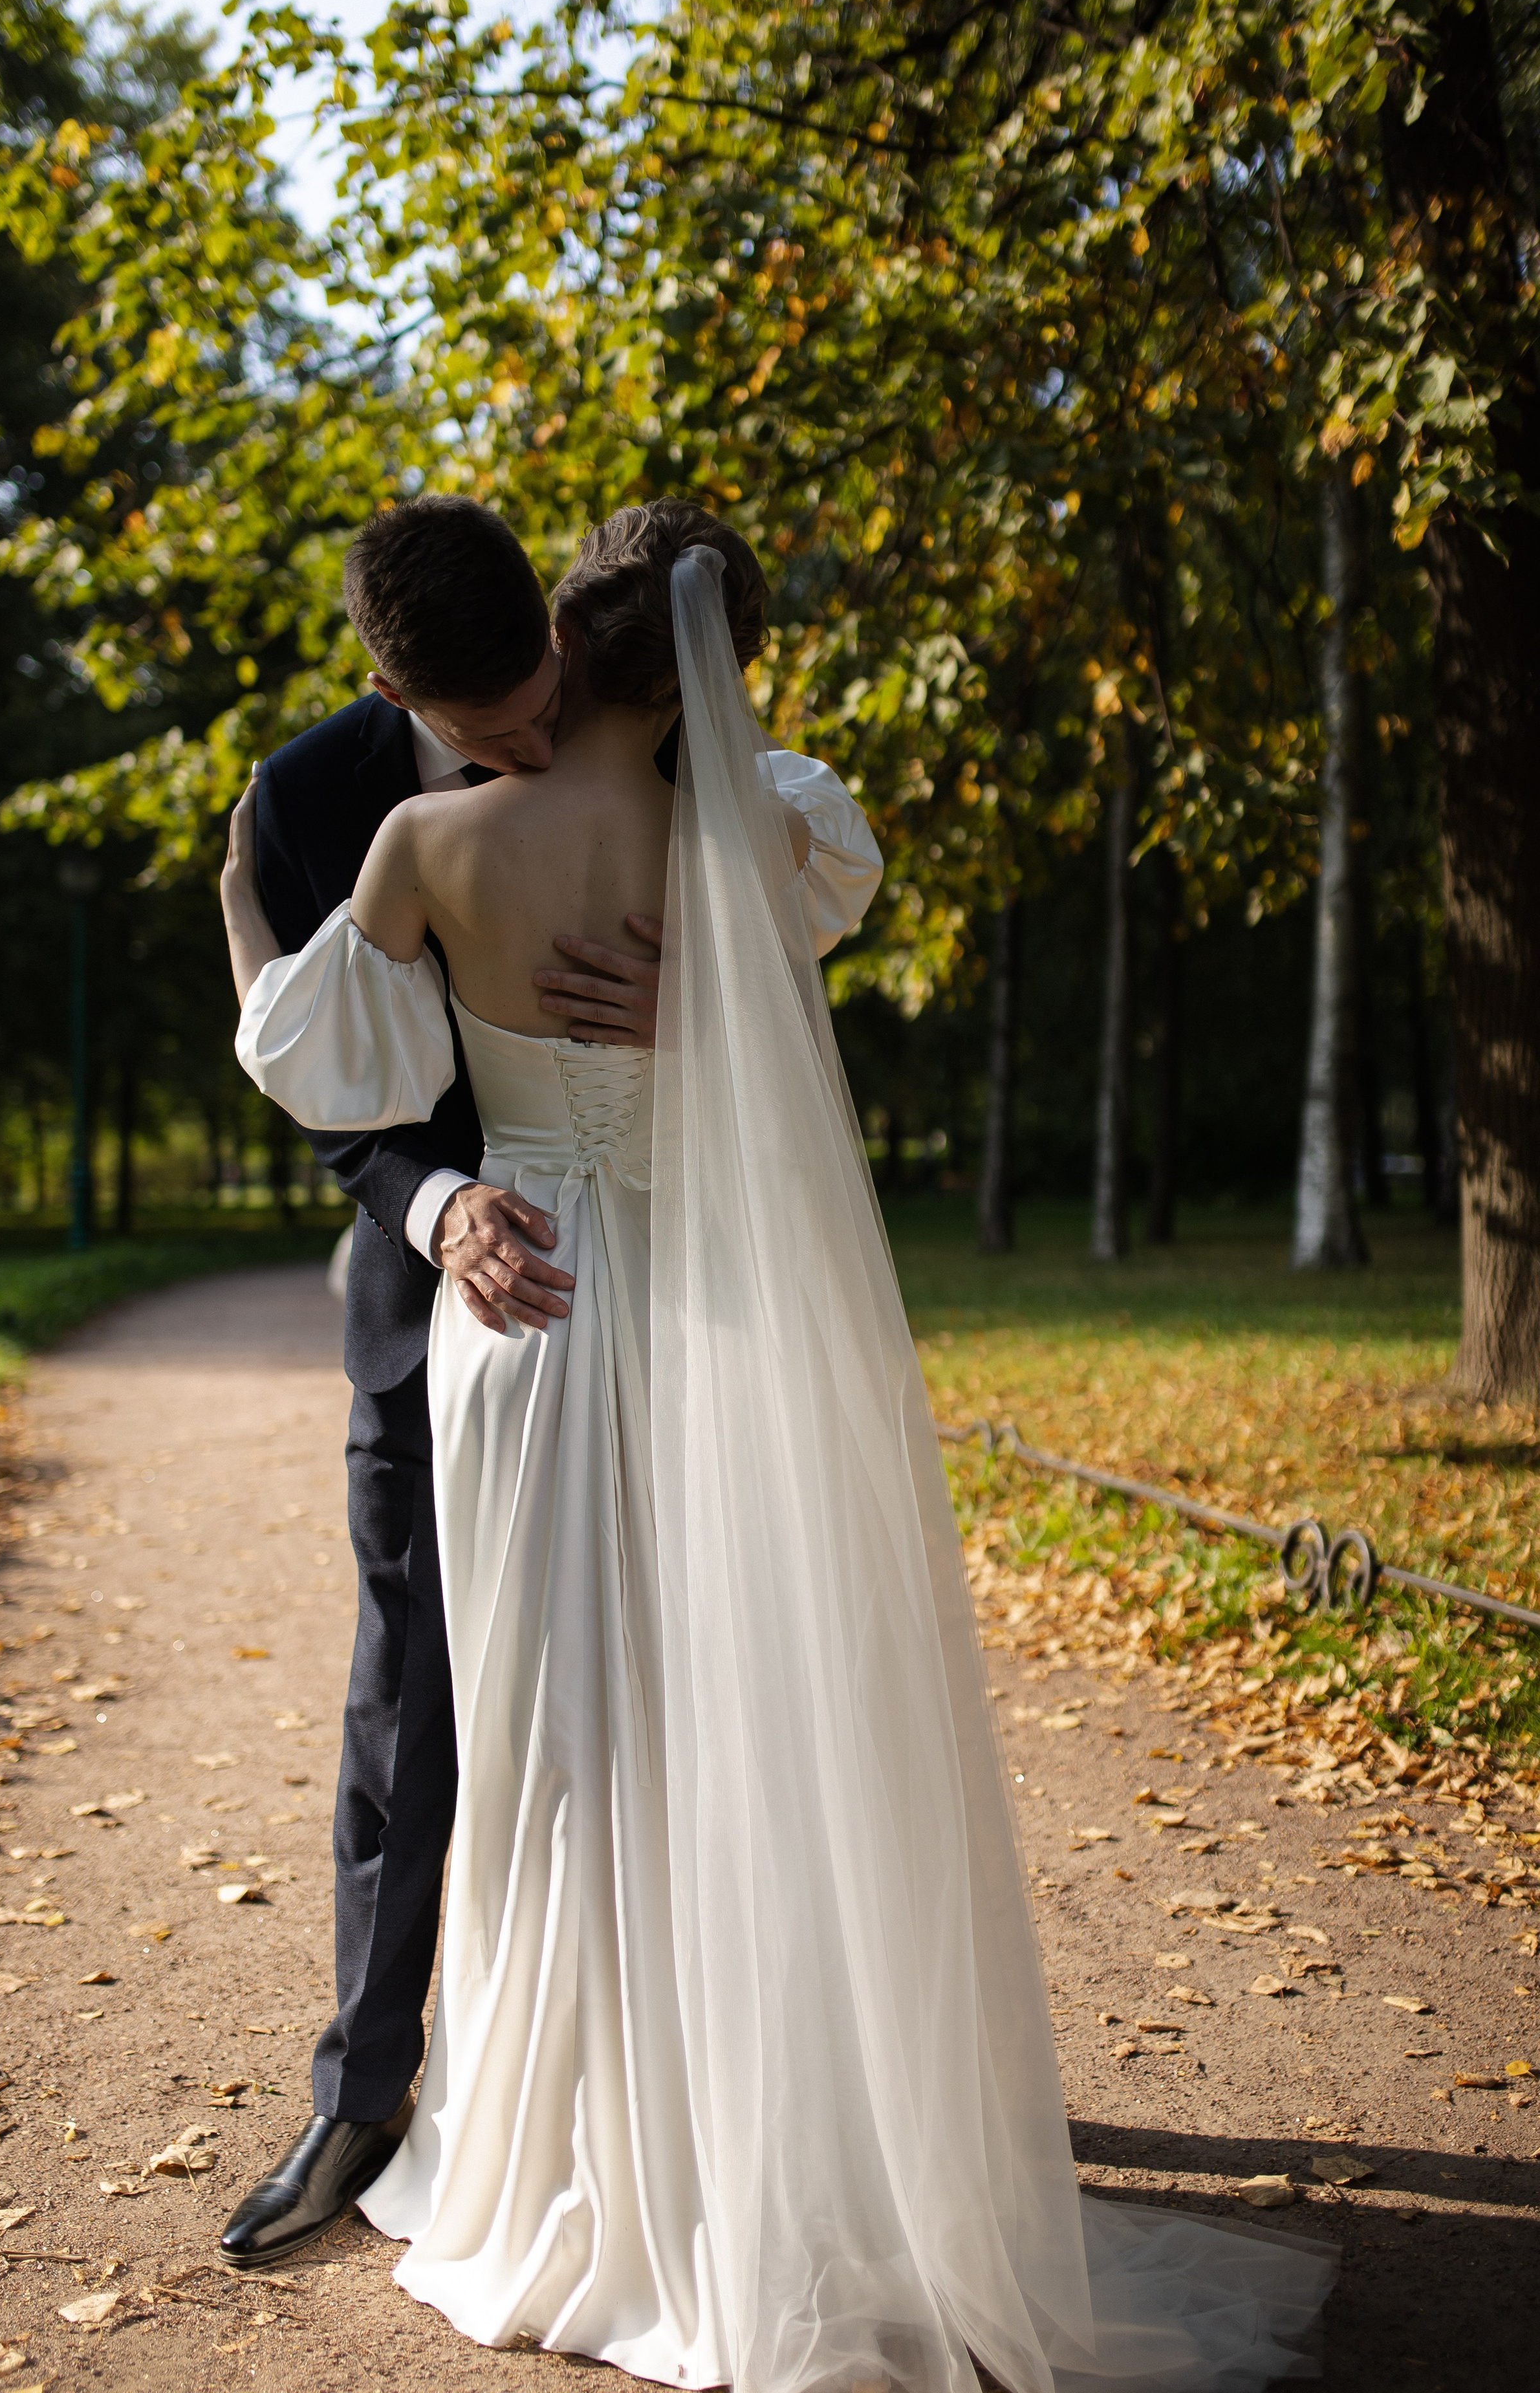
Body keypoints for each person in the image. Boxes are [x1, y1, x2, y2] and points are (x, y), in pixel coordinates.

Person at [229, 499, 1338, 2393]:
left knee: (555, 1742)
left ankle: (586, 2152)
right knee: (711, 1714)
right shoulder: (747, 830)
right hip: (681, 1303)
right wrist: (704, 1001)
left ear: (568, 653)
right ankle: (720, 2135)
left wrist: (258, 914)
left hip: (542, 1326)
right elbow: (780, 943)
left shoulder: (426, 842)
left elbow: (303, 1041)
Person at [215, 497, 673, 2269]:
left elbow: (771, 924)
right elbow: (328, 1087)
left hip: (669, 1273)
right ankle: (363, 2097)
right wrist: (433, 1201)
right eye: (496, 733)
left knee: (687, 1670)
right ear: (390, 683)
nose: (540, 742)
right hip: (446, 1309)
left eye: (548, 694)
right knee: (415, 1689)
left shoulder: (645, 704)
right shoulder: (310, 803)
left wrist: (691, 998)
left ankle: (722, 2079)